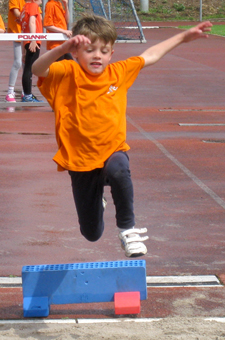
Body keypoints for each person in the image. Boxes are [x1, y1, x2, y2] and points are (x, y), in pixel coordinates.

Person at [32, 15, 212, 257]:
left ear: (111, 54)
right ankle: (97, 197)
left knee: (119, 169)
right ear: (76, 52)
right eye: (89, 50)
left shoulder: (118, 73)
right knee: (92, 233)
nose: (97, 55)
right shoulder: (66, 72)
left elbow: (150, 56)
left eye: (103, 51)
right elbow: (37, 69)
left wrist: (182, 37)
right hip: (81, 162)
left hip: (112, 150)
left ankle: (128, 230)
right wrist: (63, 48)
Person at [20, 0, 43, 102]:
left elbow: (23, 29)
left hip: (27, 41)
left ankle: (27, 94)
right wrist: (33, 39)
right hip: (33, 41)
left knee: (28, 68)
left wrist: (23, 52)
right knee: (29, 69)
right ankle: (27, 95)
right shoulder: (33, 6)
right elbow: (32, 22)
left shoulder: (25, 8)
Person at [5, 0, 25, 102]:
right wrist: (28, 15)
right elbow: (16, 13)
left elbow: (37, 13)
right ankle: (10, 91)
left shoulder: (30, 2)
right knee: (18, 62)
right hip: (17, 33)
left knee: (27, 63)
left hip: (28, 33)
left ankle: (26, 91)